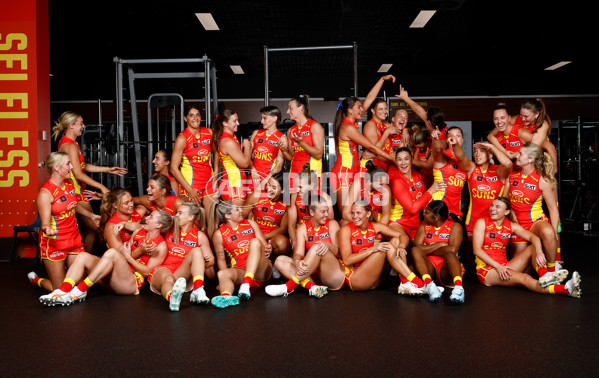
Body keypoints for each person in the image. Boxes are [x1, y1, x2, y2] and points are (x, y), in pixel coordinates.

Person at [39, 209, 172, 305]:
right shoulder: (138, 231)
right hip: (117, 274)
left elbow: (146, 272)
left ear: (159, 225)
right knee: (83, 256)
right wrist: (132, 251)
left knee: (113, 253)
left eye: (152, 217)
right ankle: (63, 292)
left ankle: (80, 290)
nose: (147, 217)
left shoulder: (161, 246)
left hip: (131, 283)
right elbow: (126, 255)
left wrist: (129, 257)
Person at [473, 197, 580, 297]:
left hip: (505, 266)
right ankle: (566, 289)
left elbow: (534, 237)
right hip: (487, 271)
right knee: (525, 278)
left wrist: (539, 252)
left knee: (533, 248)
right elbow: (477, 250)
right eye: (492, 205)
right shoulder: (481, 223)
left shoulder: (510, 225)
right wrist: (498, 266)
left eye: (497, 207)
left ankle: (545, 275)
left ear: (506, 212)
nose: (492, 209)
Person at [52, 111, 127, 251]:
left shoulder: (71, 143)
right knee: (92, 229)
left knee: (91, 229)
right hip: (75, 192)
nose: (83, 126)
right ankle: (81, 263)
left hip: (76, 191)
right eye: (81, 123)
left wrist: (108, 169)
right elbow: (79, 174)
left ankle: (80, 262)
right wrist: (101, 187)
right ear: (71, 126)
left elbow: (82, 166)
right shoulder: (70, 146)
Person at [28, 152, 100, 292]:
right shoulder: (45, 193)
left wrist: (91, 216)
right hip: (55, 242)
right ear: (56, 168)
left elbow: (73, 204)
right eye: (68, 164)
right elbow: (45, 223)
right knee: (59, 290)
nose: (72, 167)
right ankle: (37, 280)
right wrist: (47, 228)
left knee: (78, 285)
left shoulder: (69, 183)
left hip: (74, 239)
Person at [331, 76, 397, 213]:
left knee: (357, 210)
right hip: (343, 173)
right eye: (359, 107)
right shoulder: (347, 128)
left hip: (355, 171)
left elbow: (369, 99)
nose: (362, 109)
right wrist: (394, 160)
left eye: (361, 107)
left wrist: (382, 80)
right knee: (346, 213)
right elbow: (373, 147)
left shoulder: (353, 122)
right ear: (350, 110)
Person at [505, 143, 563, 278]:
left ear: (531, 159)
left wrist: (554, 234)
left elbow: (553, 210)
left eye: (521, 154)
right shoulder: (512, 176)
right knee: (523, 272)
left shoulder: (542, 180)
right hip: (517, 226)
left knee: (548, 232)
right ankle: (543, 271)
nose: (517, 156)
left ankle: (552, 270)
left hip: (534, 222)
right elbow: (503, 202)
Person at [265, 195, 341, 298]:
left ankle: (288, 287)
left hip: (333, 275)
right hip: (312, 274)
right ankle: (313, 288)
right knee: (280, 260)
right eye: (323, 212)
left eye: (327, 211)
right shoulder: (302, 228)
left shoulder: (333, 224)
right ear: (312, 212)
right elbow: (298, 254)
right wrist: (297, 262)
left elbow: (339, 254)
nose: (326, 214)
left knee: (317, 247)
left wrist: (328, 245)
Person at [338, 200, 422, 292]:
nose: (355, 217)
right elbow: (347, 261)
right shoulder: (346, 229)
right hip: (357, 279)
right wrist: (372, 249)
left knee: (396, 241)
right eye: (353, 213)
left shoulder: (375, 226)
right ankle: (418, 283)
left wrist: (401, 247)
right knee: (386, 247)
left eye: (358, 213)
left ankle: (405, 282)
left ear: (368, 214)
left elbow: (403, 236)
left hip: (376, 277)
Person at [147, 203, 214, 311]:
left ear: (190, 217)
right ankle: (172, 299)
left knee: (197, 251)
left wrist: (205, 262)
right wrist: (125, 224)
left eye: (180, 213)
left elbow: (211, 261)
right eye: (176, 212)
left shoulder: (199, 236)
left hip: (181, 274)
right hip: (163, 270)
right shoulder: (169, 228)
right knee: (167, 278)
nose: (176, 215)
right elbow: (149, 226)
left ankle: (198, 290)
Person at [210, 201, 273, 308]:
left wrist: (268, 248)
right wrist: (222, 281)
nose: (241, 210)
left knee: (255, 242)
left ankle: (246, 284)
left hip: (260, 271)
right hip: (242, 272)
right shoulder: (219, 234)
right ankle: (226, 298)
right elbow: (221, 260)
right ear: (228, 215)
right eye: (237, 209)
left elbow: (264, 246)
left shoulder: (250, 223)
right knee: (222, 274)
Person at [451, 140, 512, 240]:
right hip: (472, 223)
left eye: (482, 151)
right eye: (475, 151)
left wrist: (491, 146)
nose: (477, 154)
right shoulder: (472, 169)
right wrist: (455, 144)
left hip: (495, 223)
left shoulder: (499, 170)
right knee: (472, 254)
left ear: (490, 155)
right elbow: (461, 158)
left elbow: (508, 164)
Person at [411, 201, 465, 303]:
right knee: (414, 251)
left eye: (427, 212)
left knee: (450, 254)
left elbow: (452, 249)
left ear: (436, 217)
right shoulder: (423, 225)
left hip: (446, 269)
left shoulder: (455, 226)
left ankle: (459, 289)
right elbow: (417, 247)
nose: (424, 214)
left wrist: (428, 249)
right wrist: (440, 244)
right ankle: (430, 286)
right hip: (428, 267)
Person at [170, 105, 218, 221]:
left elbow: (216, 151)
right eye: (191, 115)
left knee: (212, 221)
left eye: (198, 115)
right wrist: (190, 190)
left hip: (208, 183)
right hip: (191, 185)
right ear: (185, 118)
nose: (195, 118)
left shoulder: (209, 133)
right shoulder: (182, 138)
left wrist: (216, 170)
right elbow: (173, 168)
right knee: (195, 222)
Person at [389, 147, 444, 240]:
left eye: (406, 158)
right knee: (404, 244)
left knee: (427, 244)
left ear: (411, 160)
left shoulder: (416, 175)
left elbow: (425, 200)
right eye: (399, 159)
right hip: (398, 223)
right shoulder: (396, 180)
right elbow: (412, 208)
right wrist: (431, 190)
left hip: (415, 224)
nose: (403, 163)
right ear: (396, 162)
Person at [280, 94, 324, 190]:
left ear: (301, 108)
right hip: (294, 173)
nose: (287, 112)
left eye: (290, 108)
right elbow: (293, 156)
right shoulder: (291, 131)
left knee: (310, 203)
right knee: (293, 204)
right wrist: (283, 150)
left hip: (311, 172)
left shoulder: (314, 126)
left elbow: (319, 154)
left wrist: (301, 143)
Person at [287, 164, 334, 248]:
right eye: (296, 187)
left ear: (311, 186)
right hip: (302, 232)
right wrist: (294, 240)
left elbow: (330, 223)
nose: (298, 190)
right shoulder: (294, 197)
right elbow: (291, 224)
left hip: (320, 232)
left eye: (300, 187)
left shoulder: (325, 197)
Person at [242, 173, 290, 256]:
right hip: (254, 233)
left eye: (274, 187)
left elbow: (283, 228)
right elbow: (241, 216)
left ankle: (274, 263)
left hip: (272, 235)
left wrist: (265, 237)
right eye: (269, 185)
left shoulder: (286, 203)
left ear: (283, 190)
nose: (269, 189)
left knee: (282, 244)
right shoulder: (257, 196)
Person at [213, 109, 251, 206]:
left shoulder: (232, 137)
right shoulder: (227, 141)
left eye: (237, 120)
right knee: (235, 218)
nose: (238, 123)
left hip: (237, 183)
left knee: (237, 217)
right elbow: (244, 164)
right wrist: (247, 148)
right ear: (225, 123)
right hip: (233, 186)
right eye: (234, 121)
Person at [431, 126, 467, 221]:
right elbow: (437, 153)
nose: (454, 138)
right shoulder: (443, 155)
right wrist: (435, 139)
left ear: (462, 140)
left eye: (458, 136)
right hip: (438, 209)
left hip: (456, 211)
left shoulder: (464, 161)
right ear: (448, 140)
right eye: (451, 136)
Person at [360, 103, 409, 171]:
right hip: (371, 166)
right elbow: (375, 150)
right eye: (380, 109)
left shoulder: (385, 125)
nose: (384, 111)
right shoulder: (371, 124)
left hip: (383, 168)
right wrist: (387, 132)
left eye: (385, 108)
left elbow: (397, 161)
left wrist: (406, 130)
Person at [342, 161, 392, 226]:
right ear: (369, 182)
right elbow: (345, 214)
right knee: (343, 223)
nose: (384, 186)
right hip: (359, 220)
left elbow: (386, 215)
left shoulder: (385, 189)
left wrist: (378, 228)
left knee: (396, 235)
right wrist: (364, 224)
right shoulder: (358, 184)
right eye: (381, 184)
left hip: (377, 222)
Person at [249, 106, 286, 188]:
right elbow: (246, 156)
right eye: (261, 118)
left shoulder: (282, 139)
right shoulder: (256, 133)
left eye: (264, 118)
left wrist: (265, 181)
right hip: (253, 177)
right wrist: (253, 170)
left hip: (268, 181)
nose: (262, 121)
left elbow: (279, 166)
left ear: (274, 118)